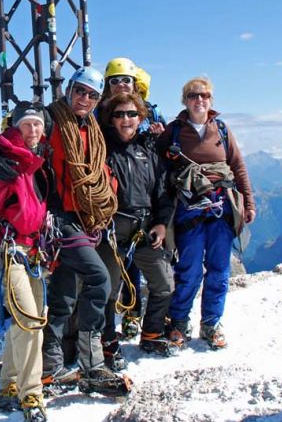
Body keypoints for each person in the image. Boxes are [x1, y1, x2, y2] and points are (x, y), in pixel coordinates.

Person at [0, 67, 130, 397]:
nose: (84, 99)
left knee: (64, 294)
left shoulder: (92, 126)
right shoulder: (51, 119)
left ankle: (50, 368)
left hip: (85, 219)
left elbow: (121, 141)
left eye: (92, 95)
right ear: (69, 89)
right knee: (98, 278)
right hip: (58, 219)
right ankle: (92, 362)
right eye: (80, 91)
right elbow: (15, 135)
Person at [159, 76, 256, 350]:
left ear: (211, 100)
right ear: (185, 101)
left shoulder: (221, 130)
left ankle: (211, 323)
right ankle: (179, 321)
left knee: (219, 268)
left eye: (204, 95)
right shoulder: (173, 131)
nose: (199, 100)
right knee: (188, 268)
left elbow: (238, 166)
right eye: (193, 95)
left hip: (221, 205)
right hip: (188, 207)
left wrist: (249, 203)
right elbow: (158, 167)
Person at [0, 101, 51, 422]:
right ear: (15, 127)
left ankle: (8, 386)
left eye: (37, 124)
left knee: (26, 320)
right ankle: (31, 395)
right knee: (30, 321)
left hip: (32, 251)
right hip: (10, 251)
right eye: (26, 124)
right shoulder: (5, 164)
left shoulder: (34, 161)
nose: (33, 129)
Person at [98, 92, 176, 362]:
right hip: (111, 231)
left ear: (140, 118)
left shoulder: (149, 151)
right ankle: (108, 341)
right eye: (119, 114)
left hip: (145, 229)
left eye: (132, 114)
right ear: (111, 119)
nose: (126, 119)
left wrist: (162, 224)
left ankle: (152, 333)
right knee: (108, 290)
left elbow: (163, 192)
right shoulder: (102, 149)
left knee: (164, 283)